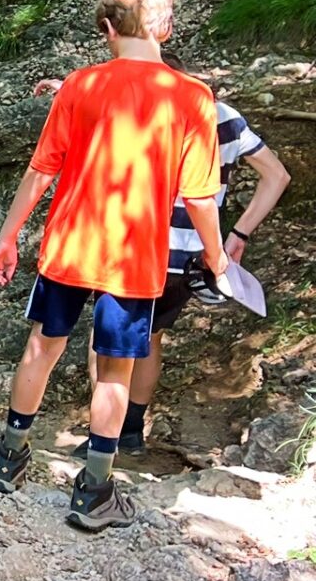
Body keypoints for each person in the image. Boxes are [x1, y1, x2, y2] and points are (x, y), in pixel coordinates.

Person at [0, 0, 229, 531]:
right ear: (165, 27)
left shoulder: (80, 85)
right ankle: (93, 490)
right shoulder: (193, 97)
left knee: (42, 347)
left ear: (105, 30)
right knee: (115, 369)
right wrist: (216, 257)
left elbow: (42, 169)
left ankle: (7, 460)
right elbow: (200, 197)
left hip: (70, 244)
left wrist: (7, 237)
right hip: (134, 256)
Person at [34, 58, 292, 454]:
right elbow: (277, 176)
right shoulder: (226, 117)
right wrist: (238, 234)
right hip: (194, 254)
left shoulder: (161, 110)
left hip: (142, 246)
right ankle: (133, 431)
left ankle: (106, 437)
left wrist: (70, 90)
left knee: (106, 344)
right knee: (151, 337)